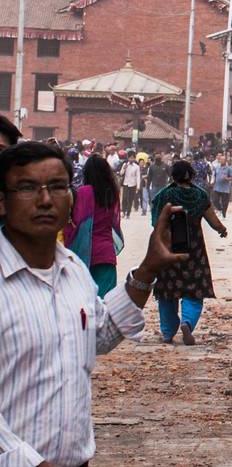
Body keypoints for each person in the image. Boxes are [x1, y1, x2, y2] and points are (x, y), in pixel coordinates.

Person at [0, 141, 187, 465]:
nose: (46, 200)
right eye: (28, 188)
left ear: (72, 197)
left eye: (58, 187)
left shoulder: (73, 270)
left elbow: (101, 330)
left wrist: (148, 268)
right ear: (2, 201)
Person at [148, 159, 227, 345]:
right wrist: (222, 230)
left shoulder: (164, 195)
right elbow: (213, 221)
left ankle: (168, 332)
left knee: (167, 291)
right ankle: (187, 322)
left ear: (172, 175)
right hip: (194, 251)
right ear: (191, 175)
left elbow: (155, 223)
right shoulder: (200, 195)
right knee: (194, 290)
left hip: (169, 248)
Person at [66, 153, 124, 297]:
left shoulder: (83, 193)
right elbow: (114, 220)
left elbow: (77, 220)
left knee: (85, 299)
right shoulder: (112, 193)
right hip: (106, 252)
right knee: (106, 301)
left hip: (85, 253)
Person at [119, 152, 144, 216]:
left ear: (134, 159)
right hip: (126, 183)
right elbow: (121, 173)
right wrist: (124, 168)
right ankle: (123, 211)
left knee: (130, 199)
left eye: (132, 158)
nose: (131, 159)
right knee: (124, 198)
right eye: (130, 158)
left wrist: (138, 186)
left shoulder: (137, 167)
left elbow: (138, 177)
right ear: (128, 158)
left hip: (133, 184)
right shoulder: (125, 164)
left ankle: (128, 213)